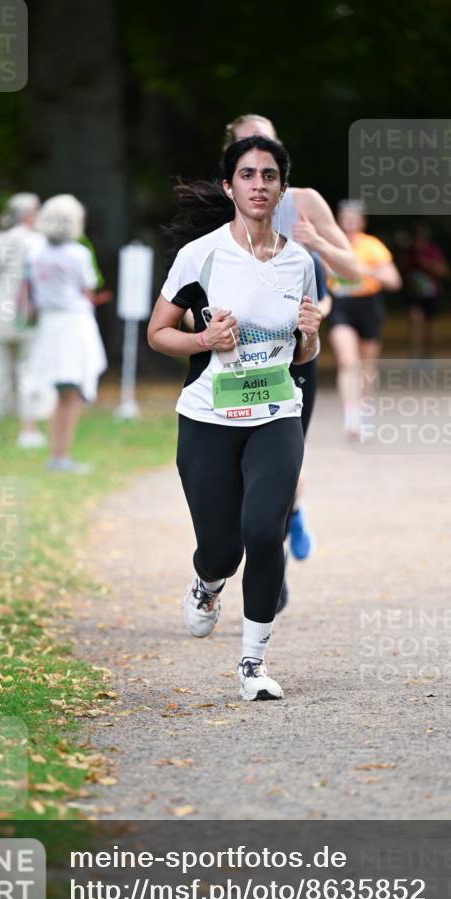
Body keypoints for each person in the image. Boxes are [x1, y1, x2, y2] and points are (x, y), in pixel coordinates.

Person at [148, 135, 323, 701]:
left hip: (276, 410)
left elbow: (302, 356)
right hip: (208, 416)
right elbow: (158, 334)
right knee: (223, 547)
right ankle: (207, 582)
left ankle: (253, 663)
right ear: (229, 187)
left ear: (281, 188)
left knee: (264, 529)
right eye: (247, 175)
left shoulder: (300, 263)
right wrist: (204, 337)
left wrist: (311, 340)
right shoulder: (201, 255)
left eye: (269, 176)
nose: (258, 185)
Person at [224, 114, 359, 567]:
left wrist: (319, 240)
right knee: (237, 465)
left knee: (280, 462)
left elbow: (353, 270)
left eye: (268, 145)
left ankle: (275, 547)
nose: (258, 157)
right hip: (236, 355)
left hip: (295, 352)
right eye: (247, 147)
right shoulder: (222, 203)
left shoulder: (304, 201)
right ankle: (269, 529)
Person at [29, 194, 108, 472]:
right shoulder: (78, 253)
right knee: (71, 393)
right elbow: (87, 290)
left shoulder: (36, 251)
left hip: (49, 326)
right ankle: (60, 455)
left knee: (62, 392)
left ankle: (58, 453)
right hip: (74, 325)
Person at [0, 193, 49, 450]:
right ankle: (28, 430)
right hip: (25, 313)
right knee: (28, 372)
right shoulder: (37, 241)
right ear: (29, 214)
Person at [326, 200, 402, 438]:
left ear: (362, 221)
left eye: (354, 219)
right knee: (348, 362)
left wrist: (363, 270)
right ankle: (351, 415)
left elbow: (393, 280)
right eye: (345, 218)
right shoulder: (330, 246)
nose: (349, 223)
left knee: (367, 366)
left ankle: (366, 411)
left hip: (368, 306)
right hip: (340, 306)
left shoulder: (373, 246)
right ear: (338, 221)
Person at [402, 224, 450, 359]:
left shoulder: (433, 251)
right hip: (414, 294)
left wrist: (426, 264)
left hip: (432, 294)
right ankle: (416, 354)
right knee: (415, 322)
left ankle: (428, 353)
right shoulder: (409, 252)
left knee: (430, 326)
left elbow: (444, 271)